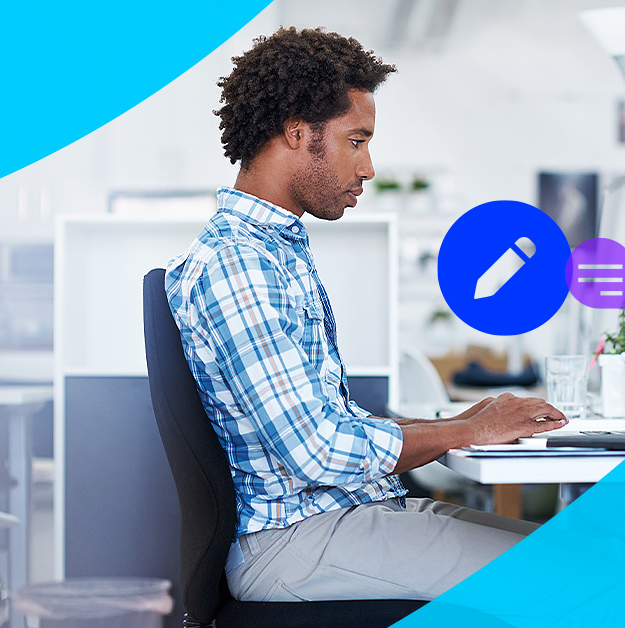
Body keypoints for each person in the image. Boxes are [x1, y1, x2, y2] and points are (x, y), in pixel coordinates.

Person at [163, 27, 569, 603]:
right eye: (357, 141)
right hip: (297, 544)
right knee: (572, 576)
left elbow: (330, 423)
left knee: (570, 552)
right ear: (297, 132)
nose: (369, 167)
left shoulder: (271, 251)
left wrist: (459, 422)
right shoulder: (240, 263)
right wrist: (469, 431)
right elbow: (316, 448)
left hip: (336, 521)